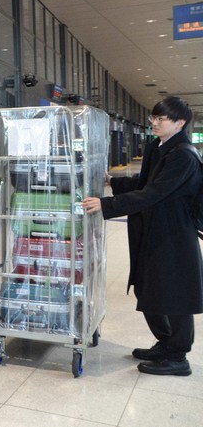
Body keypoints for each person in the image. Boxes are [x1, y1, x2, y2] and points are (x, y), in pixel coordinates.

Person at [82, 96, 203, 376]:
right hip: (153, 230)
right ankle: (166, 342)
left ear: (180, 122)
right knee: (148, 288)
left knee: (175, 295)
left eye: (162, 119)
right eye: (154, 118)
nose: (155, 123)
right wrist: (114, 183)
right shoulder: (158, 147)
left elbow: (155, 193)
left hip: (174, 235)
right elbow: (145, 182)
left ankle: (178, 356)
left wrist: (107, 205)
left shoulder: (183, 154)